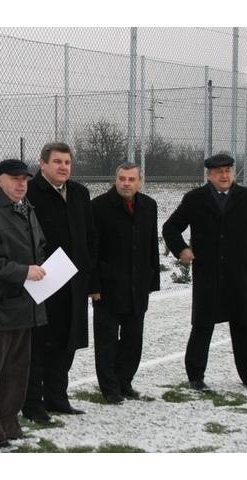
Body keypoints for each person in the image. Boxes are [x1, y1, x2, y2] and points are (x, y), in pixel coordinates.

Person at [162, 153, 247, 392]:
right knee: (202, 325)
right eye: (219, 172)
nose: (224, 175)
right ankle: (195, 377)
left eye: (228, 171)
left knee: (245, 326)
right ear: (209, 175)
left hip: (240, 275)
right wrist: (182, 249)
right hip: (207, 274)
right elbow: (171, 227)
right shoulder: (194, 199)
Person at [0, 159, 47, 449]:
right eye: (15, 178)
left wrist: (42, 266)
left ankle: (10, 423)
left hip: (24, 303)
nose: (21, 184)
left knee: (17, 370)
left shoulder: (26, 209)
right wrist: (24, 271)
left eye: (24, 179)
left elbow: (39, 245)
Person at [22, 142, 95, 422]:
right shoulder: (30, 193)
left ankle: (57, 397)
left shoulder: (79, 193)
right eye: (57, 162)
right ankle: (33, 403)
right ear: (43, 164)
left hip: (73, 281)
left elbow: (89, 235)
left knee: (67, 343)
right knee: (40, 345)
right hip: (42, 281)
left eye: (67, 162)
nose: (63, 167)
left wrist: (89, 274)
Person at [90, 163, 160, 404]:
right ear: (115, 180)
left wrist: (152, 278)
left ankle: (124, 381)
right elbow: (92, 249)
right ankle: (110, 388)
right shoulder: (99, 207)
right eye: (122, 178)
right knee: (107, 341)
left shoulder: (149, 206)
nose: (126, 183)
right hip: (108, 287)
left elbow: (151, 245)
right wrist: (93, 285)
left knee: (133, 339)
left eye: (131, 179)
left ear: (140, 182)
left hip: (137, 286)